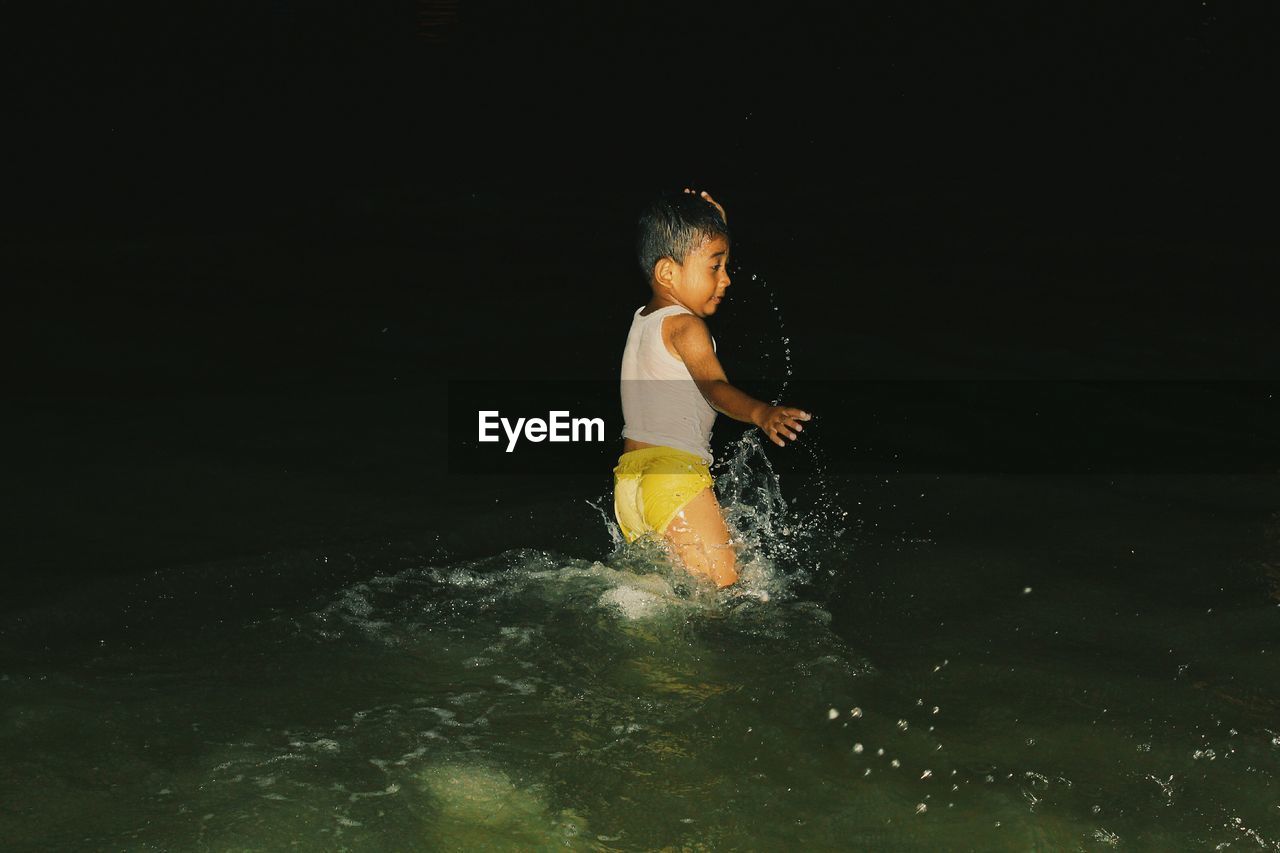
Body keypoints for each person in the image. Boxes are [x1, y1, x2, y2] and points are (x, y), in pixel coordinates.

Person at [613, 188, 811, 588]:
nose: (726, 278)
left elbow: (688, 249)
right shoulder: (686, 326)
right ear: (668, 272)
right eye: (715, 267)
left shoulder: (644, 318)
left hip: (629, 486)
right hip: (673, 480)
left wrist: (711, 225)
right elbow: (714, 387)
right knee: (726, 596)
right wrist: (761, 412)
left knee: (661, 601)